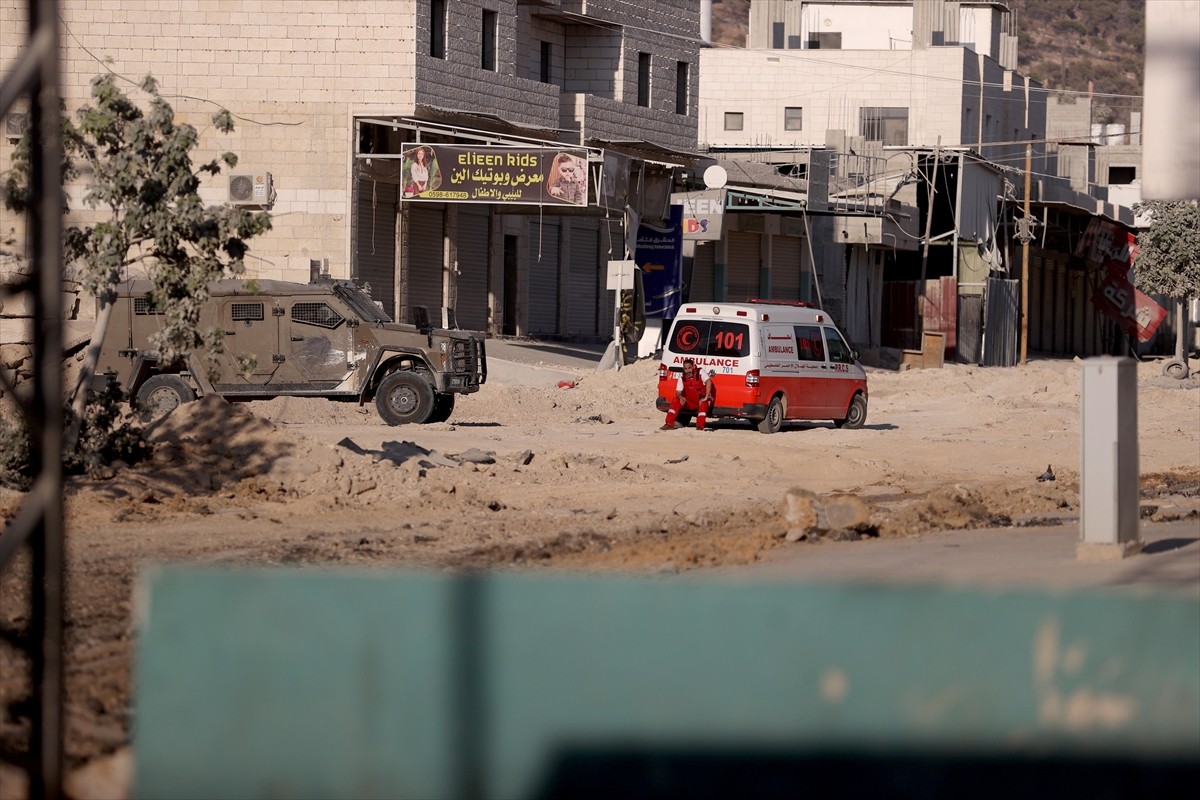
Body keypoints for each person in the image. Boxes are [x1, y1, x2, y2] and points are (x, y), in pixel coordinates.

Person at [661, 359, 716, 430]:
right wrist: (680, 397)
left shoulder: (700, 372)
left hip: (701, 400)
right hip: (690, 402)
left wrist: (706, 397)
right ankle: (669, 424)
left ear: (693, 366)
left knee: (703, 404)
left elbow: (708, 382)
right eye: (685, 369)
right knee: (675, 400)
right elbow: (678, 392)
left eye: (689, 368)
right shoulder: (682, 378)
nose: (688, 371)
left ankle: (700, 426)